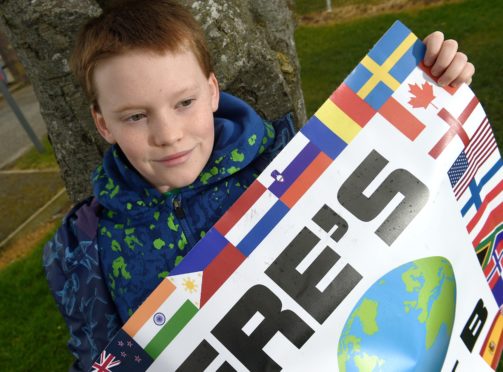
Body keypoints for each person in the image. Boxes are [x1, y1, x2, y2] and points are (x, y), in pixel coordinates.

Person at [42, 0, 475, 370]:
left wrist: (435, 82)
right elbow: (96, 357)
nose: (169, 134)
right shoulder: (82, 248)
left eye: (185, 102)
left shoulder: (299, 164)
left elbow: (404, 214)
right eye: (136, 116)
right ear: (103, 123)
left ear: (212, 91)